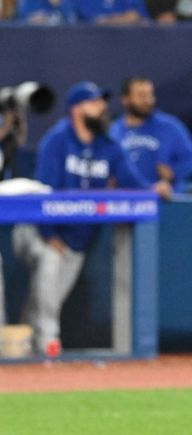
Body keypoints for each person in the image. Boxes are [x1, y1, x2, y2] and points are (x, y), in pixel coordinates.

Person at [12, 81, 152, 357]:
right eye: (95, 103)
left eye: (102, 102)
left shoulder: (109, 145)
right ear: (77, 109)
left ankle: (25, 351)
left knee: (48, 298)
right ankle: (49, 346)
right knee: (49, 266)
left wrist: (153, 189)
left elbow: (135, 184)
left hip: (76, 240)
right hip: (37, 231)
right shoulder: (57, 140)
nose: (102, 108)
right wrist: (50, 235)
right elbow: (43, 194)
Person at [110, 76, 192, 199]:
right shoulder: (113, 131)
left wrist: (174, 172)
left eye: (150, 95)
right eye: (141, 95)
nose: (148, 100)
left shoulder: (169, 126)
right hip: (126, 202)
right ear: (125, 100)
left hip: (164, 200)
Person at [74, 0, 149, 24]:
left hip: (127, 44)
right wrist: (121, 19)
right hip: (93, 45)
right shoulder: (85, 1)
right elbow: (92, 19)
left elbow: (136, 16)